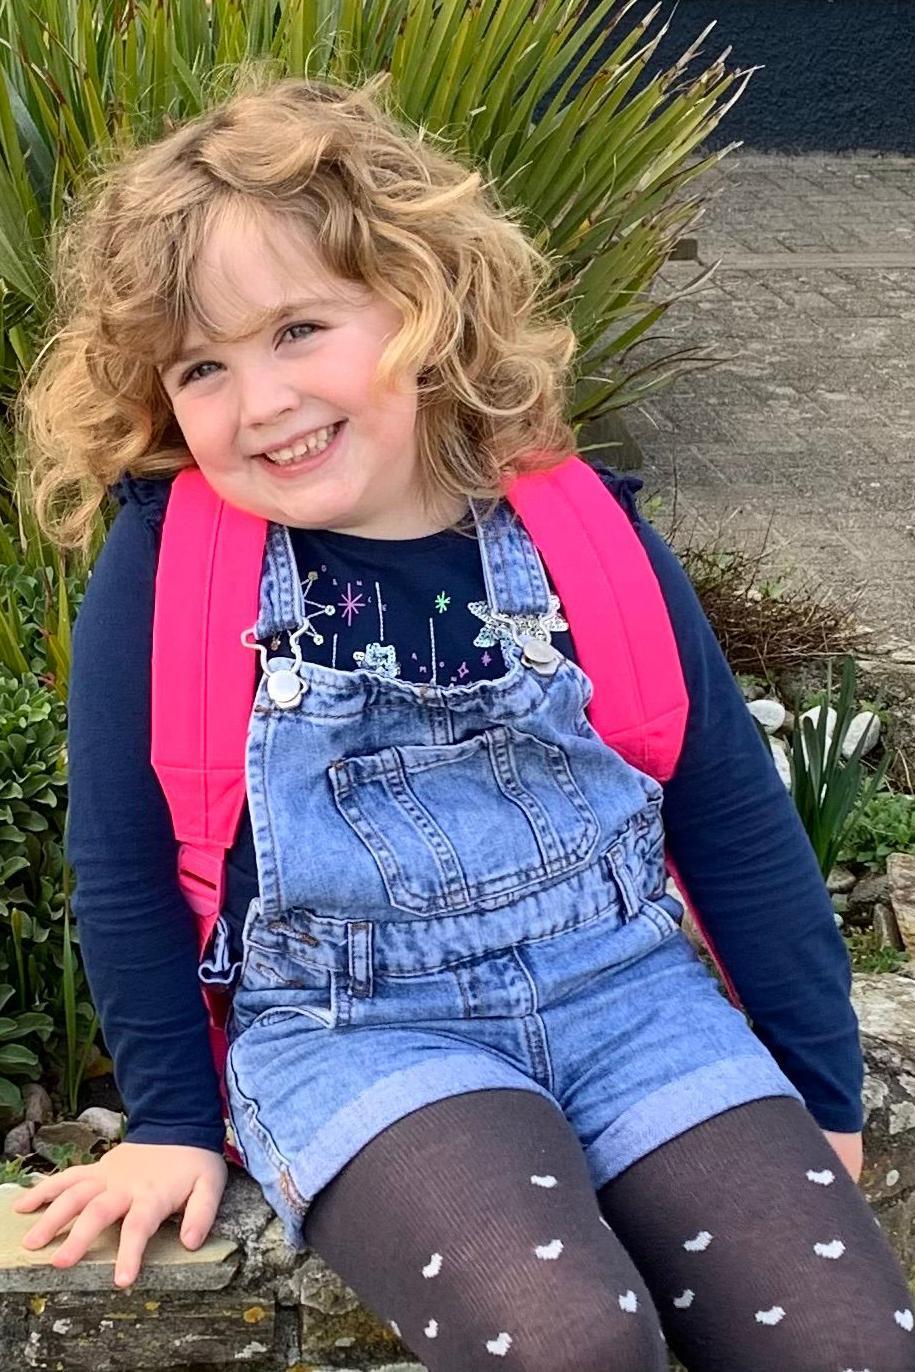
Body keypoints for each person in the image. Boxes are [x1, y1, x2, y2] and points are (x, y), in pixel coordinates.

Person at [13, 72, 913, 1372]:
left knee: (847, 1340)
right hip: (356, 1030)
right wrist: (167, 1120)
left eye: (299, 330)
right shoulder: (173, 567)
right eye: (201, 365)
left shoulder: (579, 531)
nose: (259, 401)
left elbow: (727, 811)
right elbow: (122, 864)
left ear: (422, 301)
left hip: (632, 995)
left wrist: (820, 1090)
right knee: (570, 1341)